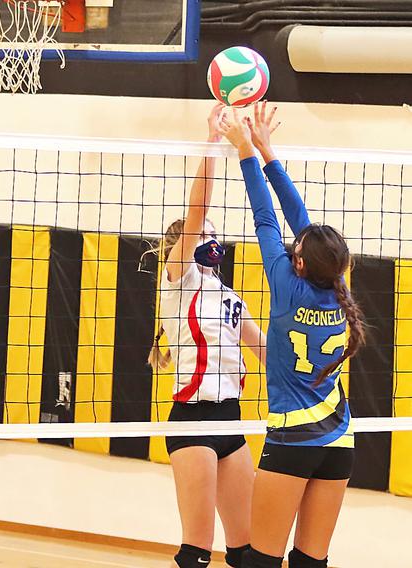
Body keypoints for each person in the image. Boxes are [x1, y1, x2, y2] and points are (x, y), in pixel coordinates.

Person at [221, 102, 364, 568]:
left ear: (299, 262)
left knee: (260, 560)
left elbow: (268, 217)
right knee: (310, 562)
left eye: (295, 248)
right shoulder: (339, 286)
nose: (292, 242)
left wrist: (248, 151)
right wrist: (266, 150)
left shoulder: (285, 286)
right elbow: (301, 224)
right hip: (339, 444)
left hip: (292, 441)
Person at [149, 104, 266, 568]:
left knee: (250, 548)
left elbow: (264, 349)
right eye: (204, 234)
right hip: (193, 422)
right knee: (197, 550)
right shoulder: (178, 278)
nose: (212, 240)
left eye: (216, 235)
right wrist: (213, 142)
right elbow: (197, 211)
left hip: (231, 423)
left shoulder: (230, 297)